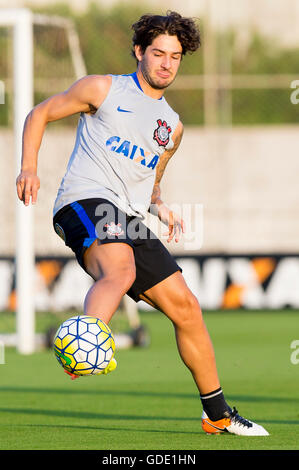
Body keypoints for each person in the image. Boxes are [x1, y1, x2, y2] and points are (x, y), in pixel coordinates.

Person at [16, 11, 268, 436]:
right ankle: (82, 342)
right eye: (158, 53)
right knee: (122, 269)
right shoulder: (102, 88)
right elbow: (39, 114)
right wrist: (28, 168)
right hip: (82, 201)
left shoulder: (172, 127)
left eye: (175, 56)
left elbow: (148, 180)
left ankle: (218, 415)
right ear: (139, 52)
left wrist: (158, 204)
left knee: (187, 308)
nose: (167, 63)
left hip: (128, 218)